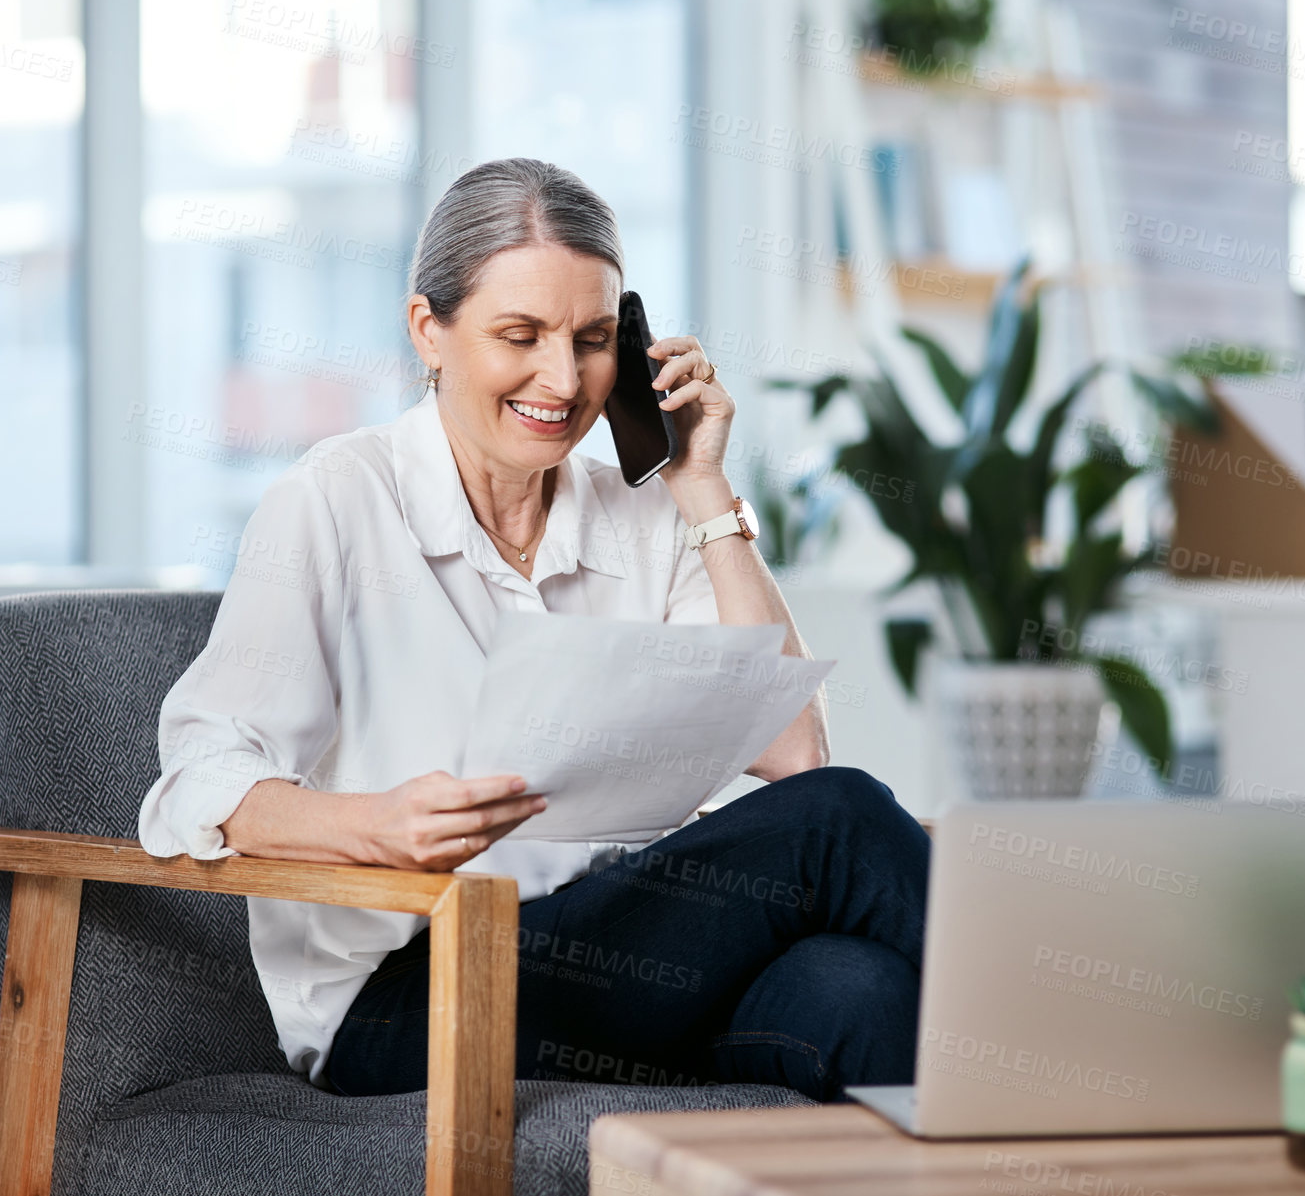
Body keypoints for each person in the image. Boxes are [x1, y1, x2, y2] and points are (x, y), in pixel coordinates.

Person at [138, 156, 930, 1102]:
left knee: (859, 991)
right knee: (841, 822)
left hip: (624, 960)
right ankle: (1115, 1070)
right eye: (521, 334)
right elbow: (200, 776)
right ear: (428, 330)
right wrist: (374, 826)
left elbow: (794, 749)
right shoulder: (335, 501)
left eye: (594, 338)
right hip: (411, 997)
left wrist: (703, 488)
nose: (564, 379)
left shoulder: (643, 513)